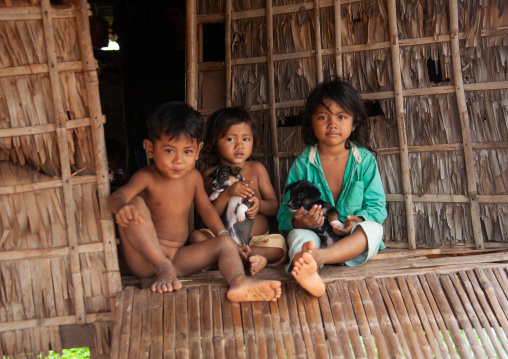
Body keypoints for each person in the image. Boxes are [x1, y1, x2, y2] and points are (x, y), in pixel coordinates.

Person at [108, 101, 281, 302]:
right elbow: (117, 196)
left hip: (177, 258)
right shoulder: (146, 176)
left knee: (225, 242)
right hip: (145, 259)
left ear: (198, 150)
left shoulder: (194, 178)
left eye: (187, 151)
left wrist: (227, 238)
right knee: (135, 203)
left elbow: (207, 210)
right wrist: (121, 207)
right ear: (150, 149)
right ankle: (162, 267)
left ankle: (238, 282)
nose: (179, 160)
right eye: (169, 150)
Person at [277, 78, 387, 297]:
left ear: (354, 123)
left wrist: (360, 219)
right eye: (323, 117)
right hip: (314, 237)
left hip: (350, 241)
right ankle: (308, 270)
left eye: (342, 117)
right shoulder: (303, 164)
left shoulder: (363, 161)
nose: (332, 124)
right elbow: (282, 214)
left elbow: (377, 207)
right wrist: (299, 221)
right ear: (311, 122)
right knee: (299, 236)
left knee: (374, 229)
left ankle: (319, 259)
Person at [189, 107, 287, 275]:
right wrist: (227, 194)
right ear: (214, 143)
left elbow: (274, 206)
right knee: (196, 237)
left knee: (279, 245)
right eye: (230, 139)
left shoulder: (257, 169)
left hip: (257, 241)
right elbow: (210, 214)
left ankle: (235, 258)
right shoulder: (210, 176)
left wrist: (259, 204)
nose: (239, 145)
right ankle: (247, 259)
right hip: (223, 240)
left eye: (246, 139)